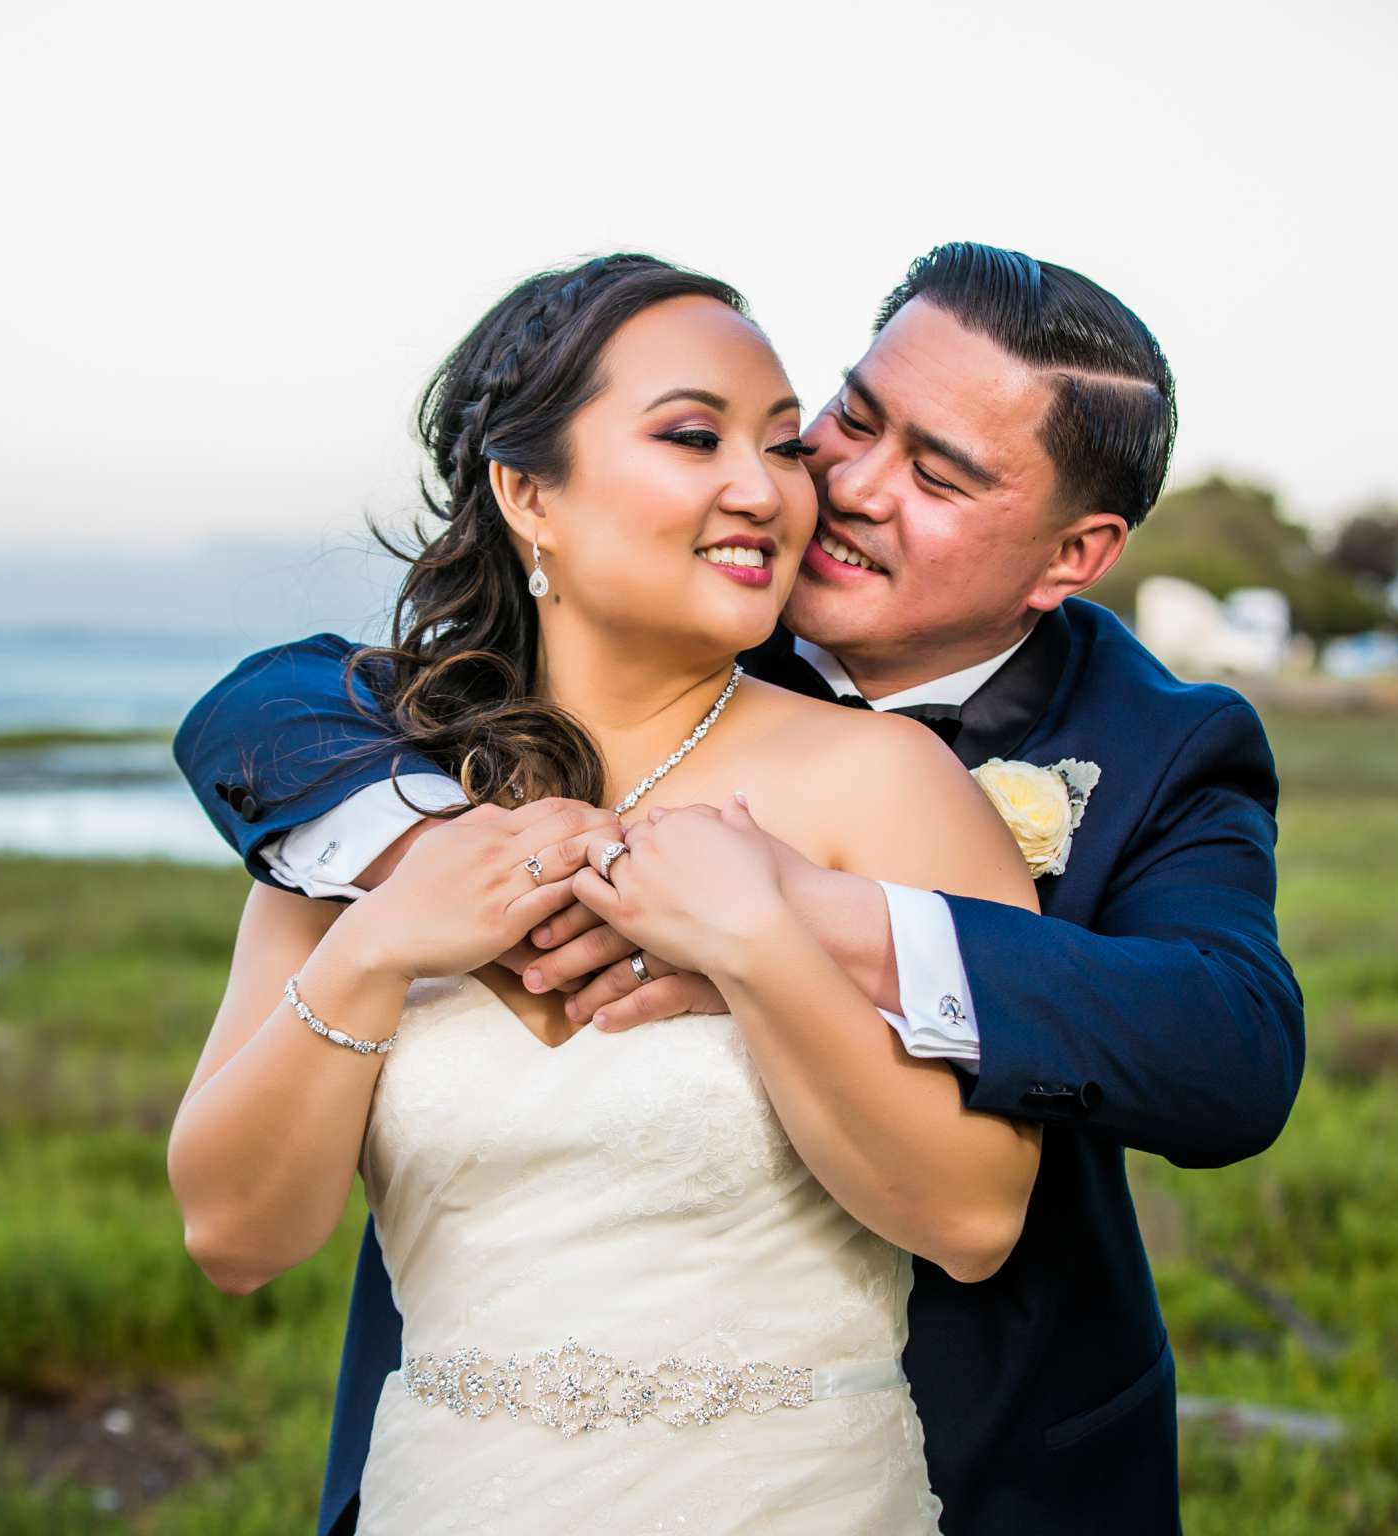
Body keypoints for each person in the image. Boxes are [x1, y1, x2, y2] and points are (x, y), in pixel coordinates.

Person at [179, 243, 1307, 1534]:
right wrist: (427, 874)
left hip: (939, 1461)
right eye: (849, 421)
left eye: (937, 475)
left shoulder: (1153, 745)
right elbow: (262, 713)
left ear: (1072, 555)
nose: (840, 488)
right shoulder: (610, 638)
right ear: (528, 494)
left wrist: (800, 918)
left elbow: (1228, 1046)